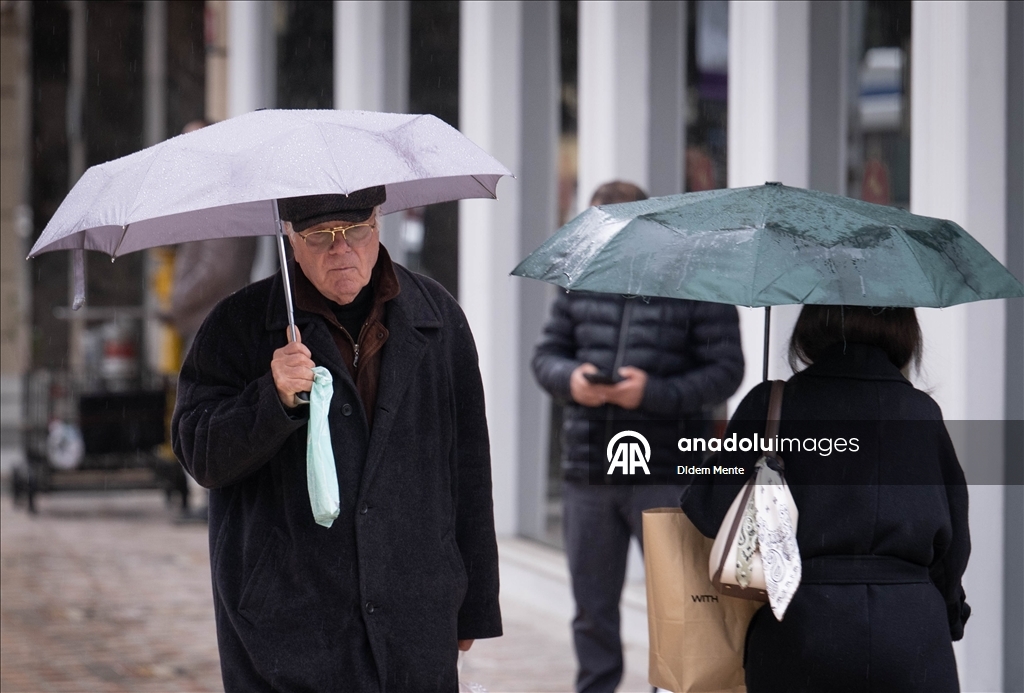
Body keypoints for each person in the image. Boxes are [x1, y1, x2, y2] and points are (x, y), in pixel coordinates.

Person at [171, 187, 502, 691]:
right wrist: (272, 397)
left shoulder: (436, 315)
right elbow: (201, 454)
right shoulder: (237, 326)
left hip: (414, 612)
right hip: (289, 622)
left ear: (379, 222)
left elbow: (470, 466)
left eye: (356, 231)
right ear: (290, 238)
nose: (341, 249)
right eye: (320, 236)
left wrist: (473, 604)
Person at [681, 305, 971, 692]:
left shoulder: (773, 405)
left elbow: (710, 510)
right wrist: (949, 616)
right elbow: (953, 548)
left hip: (800, 627)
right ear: (905, 333)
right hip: (912, 630)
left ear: (812, 327)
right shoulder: (922, 414)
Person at [532, 181, 744, 693]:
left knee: (678, 607)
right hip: (589, 471)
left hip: (667, 473)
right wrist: (572, 381)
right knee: (591, 611)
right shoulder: (577, 281)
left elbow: (726, 372)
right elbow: (546, 358)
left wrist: (652, 393)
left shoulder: (696, 282)